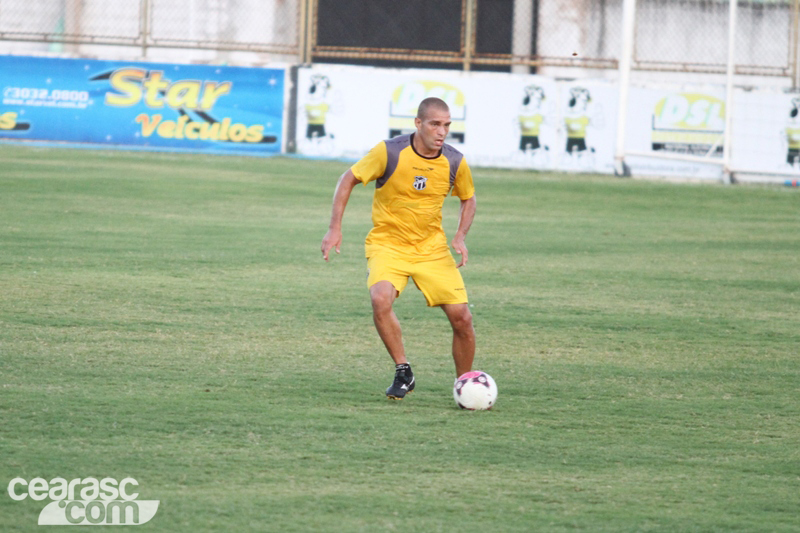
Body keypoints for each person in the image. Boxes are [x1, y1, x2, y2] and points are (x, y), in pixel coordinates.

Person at [320, 97, 477, 400]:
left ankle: (466, 385)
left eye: (446, 125)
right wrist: (334, 227)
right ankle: (403, 370)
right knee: (380, 298)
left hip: (431, 249)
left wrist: (460, 236)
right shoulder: (389, 152)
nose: (441, 132)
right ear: (418, 123)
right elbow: (347, 179)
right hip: (388, 244)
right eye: (435, 124)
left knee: (462, 318)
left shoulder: (454, 161)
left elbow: (468, 198)